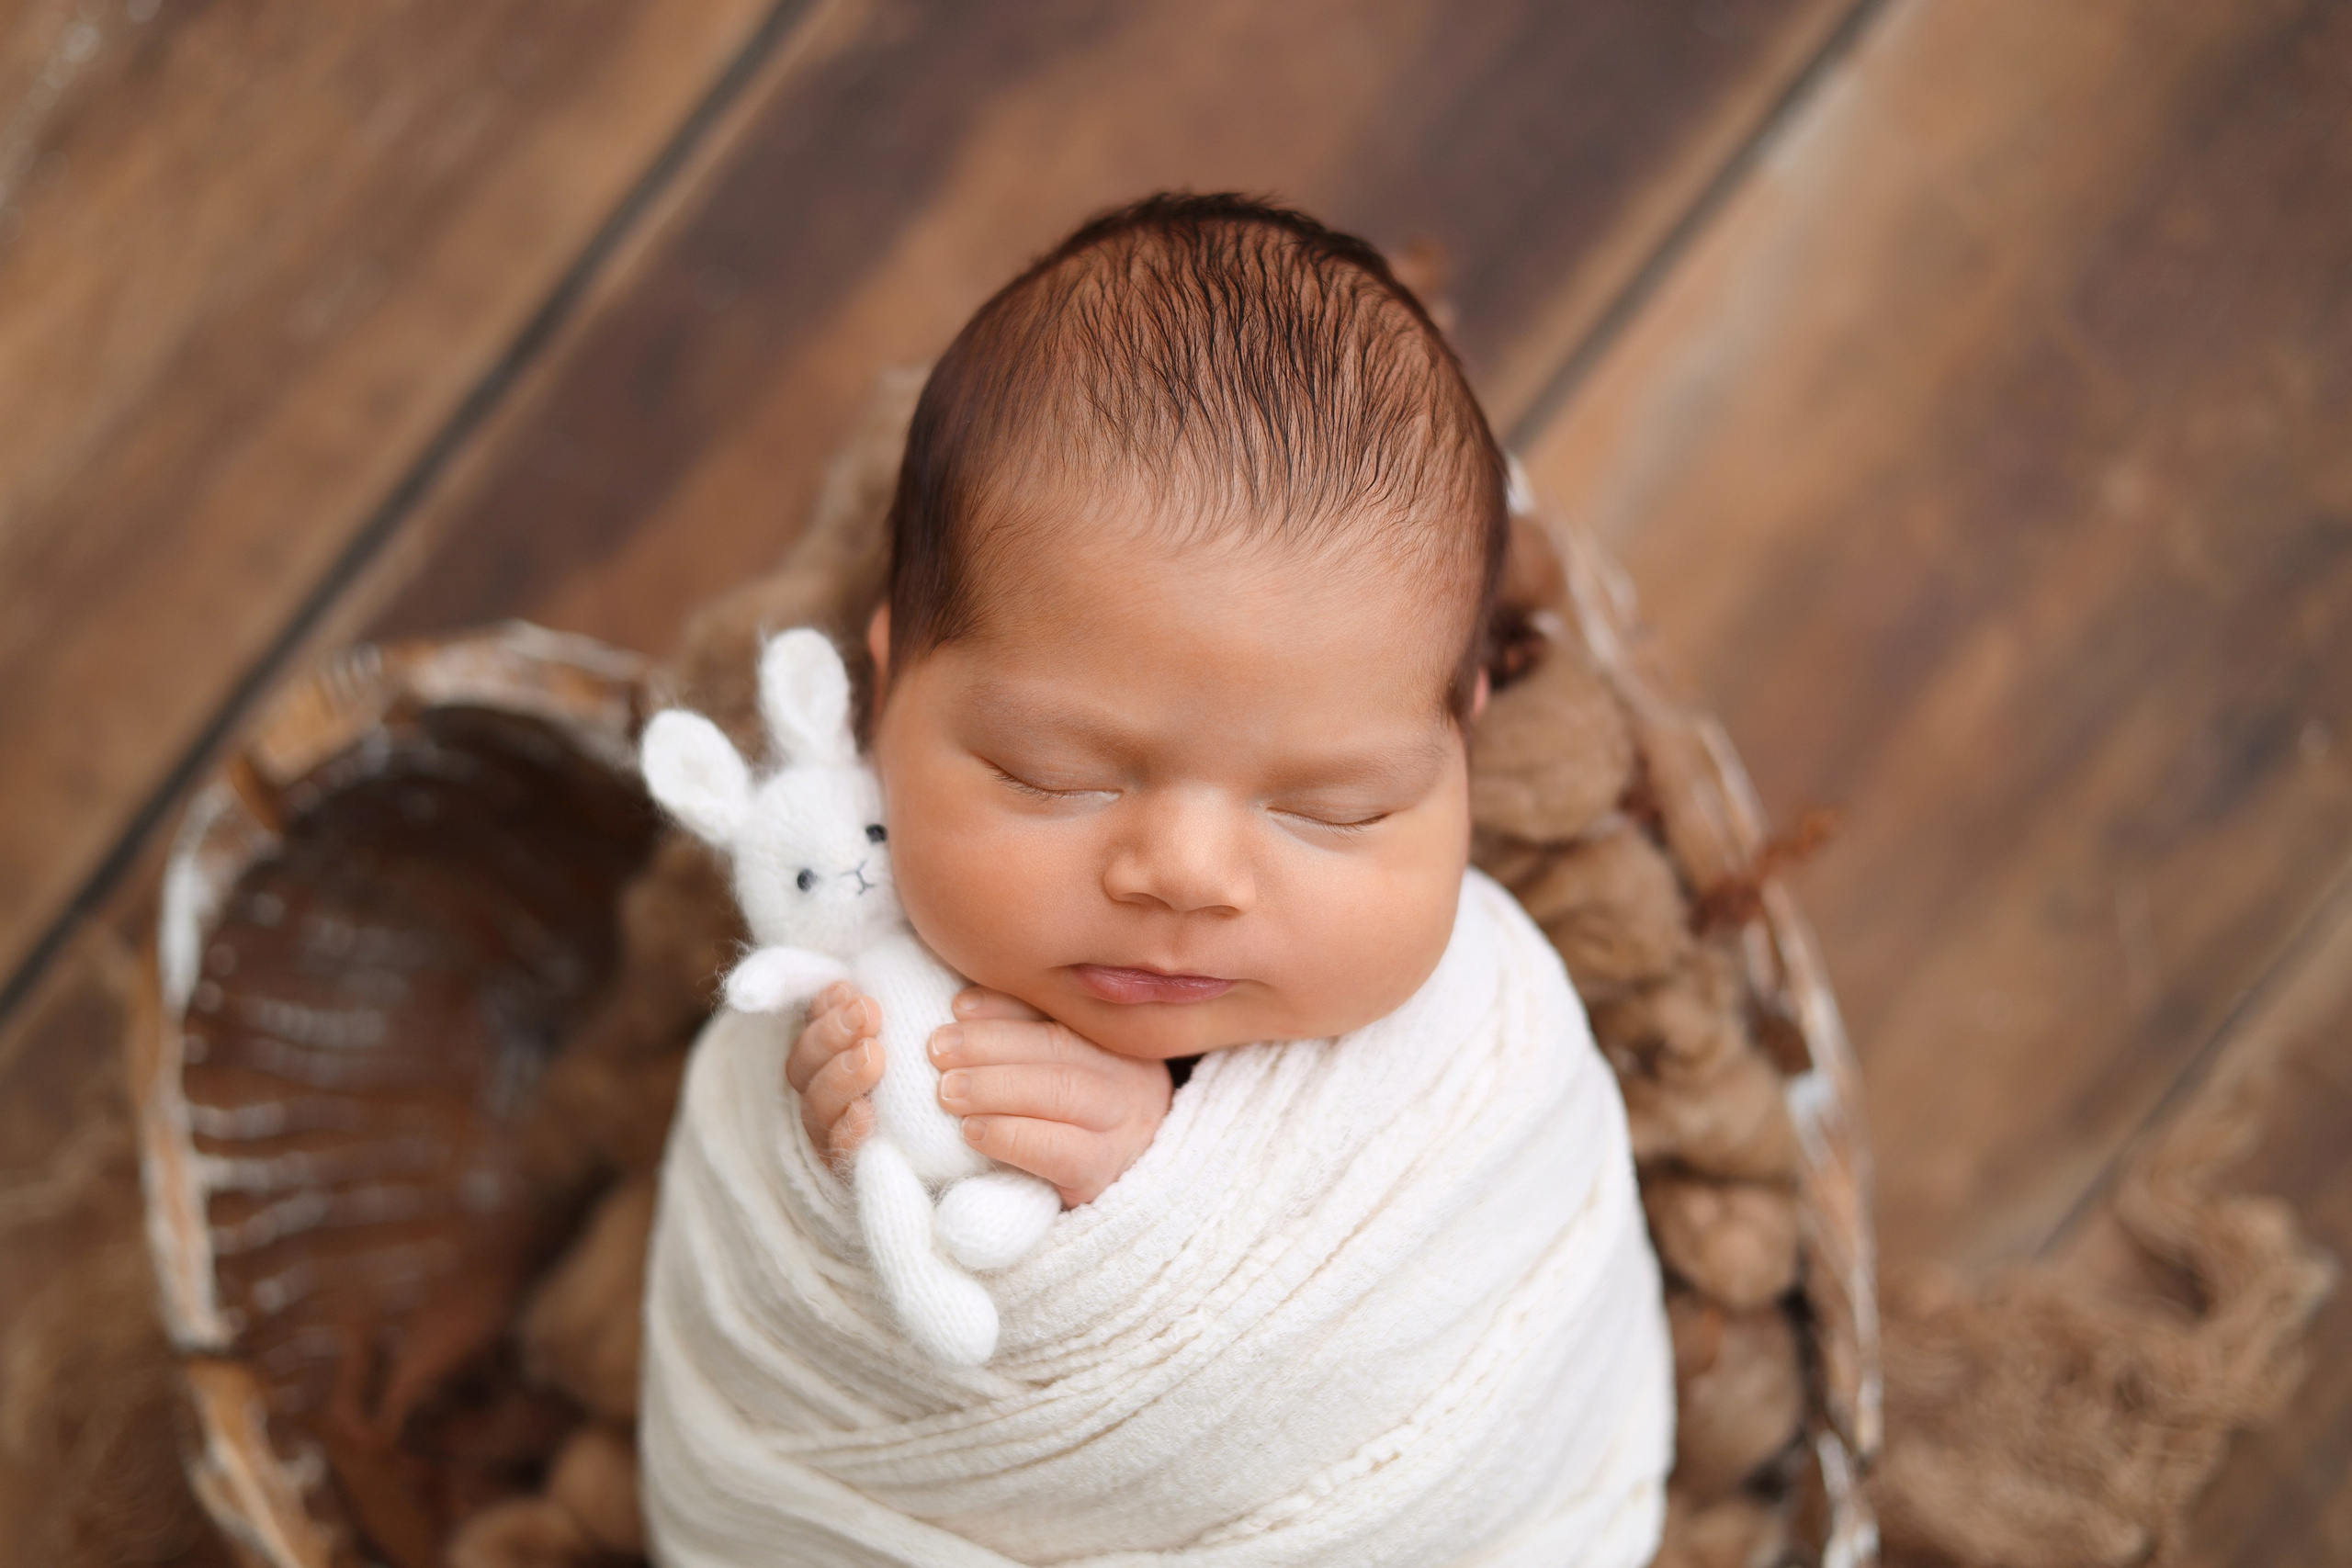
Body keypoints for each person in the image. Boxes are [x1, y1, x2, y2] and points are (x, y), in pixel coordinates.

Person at [640, 192, 1670, 1568]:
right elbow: (774, 1326)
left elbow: (1496, 1378)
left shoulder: (1489, 1053)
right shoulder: (838, 940)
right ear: (887, 691)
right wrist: (833, 1148)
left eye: (1331, 803)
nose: (1184, 875)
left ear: (1464, 740)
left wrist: (1151, 1192)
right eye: (1056, 773)